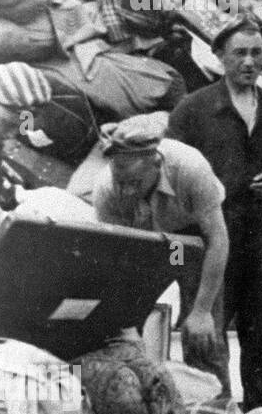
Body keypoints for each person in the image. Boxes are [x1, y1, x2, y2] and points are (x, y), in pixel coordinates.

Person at [167, 17, 262, 411]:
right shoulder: (194, 109)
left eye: (257, 53)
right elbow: (171, 164)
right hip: (209, 236)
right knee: (205, 332)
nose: (249, 61)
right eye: (239, 53)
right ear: (219, 57)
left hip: (261, 233)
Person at [92, 115, 231, 393]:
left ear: (157, 163)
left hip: (194, 236)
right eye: (122, 182)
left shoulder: (190, 167)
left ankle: (215, 412)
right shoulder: (107, 188)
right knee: (124, 332)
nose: (127, 189)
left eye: (135, 181)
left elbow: (218, 239)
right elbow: (113, 257)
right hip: (143, 241)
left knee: (202, 336)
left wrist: (202, 311)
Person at [0, 63, 55, 238]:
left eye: (21, 125)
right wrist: (6, 224)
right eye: (8, 124)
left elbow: (23, 125)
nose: (13, 134)